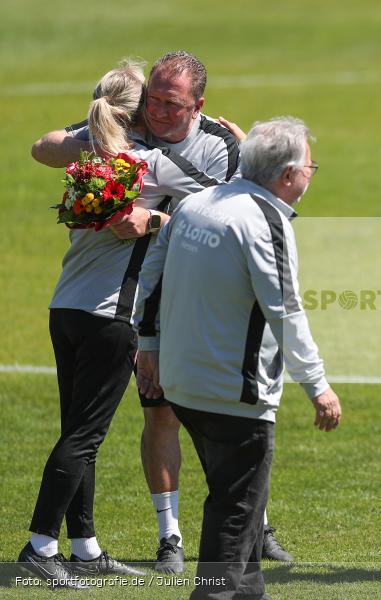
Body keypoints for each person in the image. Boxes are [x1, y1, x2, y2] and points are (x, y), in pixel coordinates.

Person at [32, 51, 291, 571]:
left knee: (217, 412)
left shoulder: (209, 145)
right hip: (122, 308)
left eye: (170, 104)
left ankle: (248, 528)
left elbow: (232, 213)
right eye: (150, 100)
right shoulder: (124, 139)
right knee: (135, 421)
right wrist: (102, 142)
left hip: (159, 298)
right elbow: (44, 148)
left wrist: (151, 216)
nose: (157, 112)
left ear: (197, 106)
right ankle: (89, 544)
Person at [18, 60, 220, 588]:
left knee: (75, 432)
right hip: (112, 315)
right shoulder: (148, 162)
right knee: (84, 437)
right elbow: (215, 205)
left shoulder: (91, 156)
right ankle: (40, 545)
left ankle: (84, 547)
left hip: (65, 308)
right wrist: (159, 218)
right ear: (137, 115)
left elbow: (45, 146)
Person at [132, 116, 342, 600]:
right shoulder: (265, 222)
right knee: (235, 510)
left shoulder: (197, 204)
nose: (312, 172)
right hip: (235, 392)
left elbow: (152, 278)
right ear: (289, 174)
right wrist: (318, 385)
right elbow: (285, 310)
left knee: (237, 501)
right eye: (311, 164)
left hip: (183, 385)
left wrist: (148, 347)